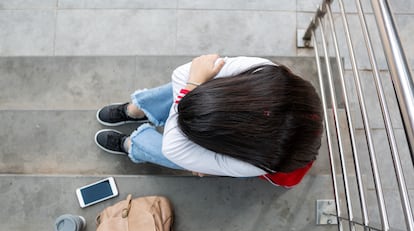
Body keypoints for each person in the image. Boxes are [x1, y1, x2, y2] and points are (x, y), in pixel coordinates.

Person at [95, 54, 323, 187]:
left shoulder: (253, 163)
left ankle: (135, 140)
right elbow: (187, 75)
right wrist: (191, 89)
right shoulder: (266, 74)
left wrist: (193, 86)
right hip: (275, 140)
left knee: (182, 153)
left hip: (267, 152)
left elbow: (173, 147)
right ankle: (140, 115)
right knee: (190, 87)